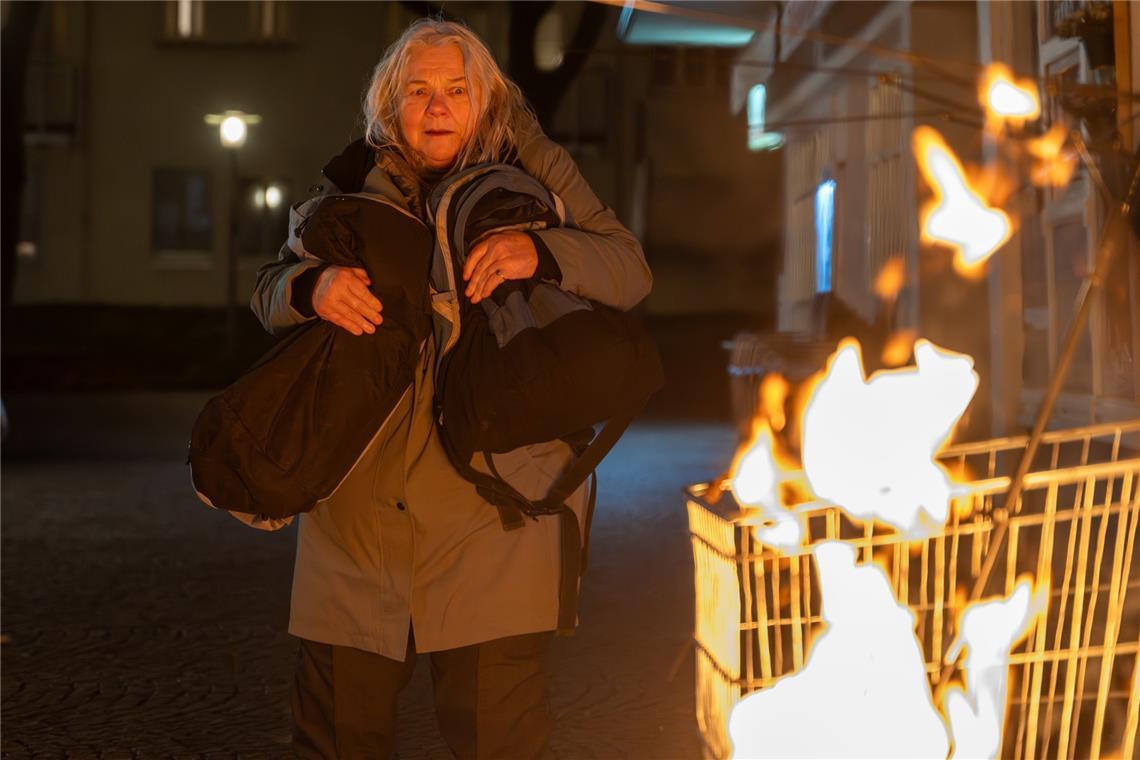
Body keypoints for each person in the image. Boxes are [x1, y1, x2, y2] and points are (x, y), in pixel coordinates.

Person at [246, 18, 652, 759]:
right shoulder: (348, 183)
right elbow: (266, 290)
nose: (437, 108)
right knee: (335, 740)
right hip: (358, 522)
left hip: (494, 517)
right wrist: (312, 287)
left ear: (484, 102)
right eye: (418, 92)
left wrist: (540, 250)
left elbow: (629, 269)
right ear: (388, 107)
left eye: (456, 91)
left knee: (497, 741)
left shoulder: (537, 172)